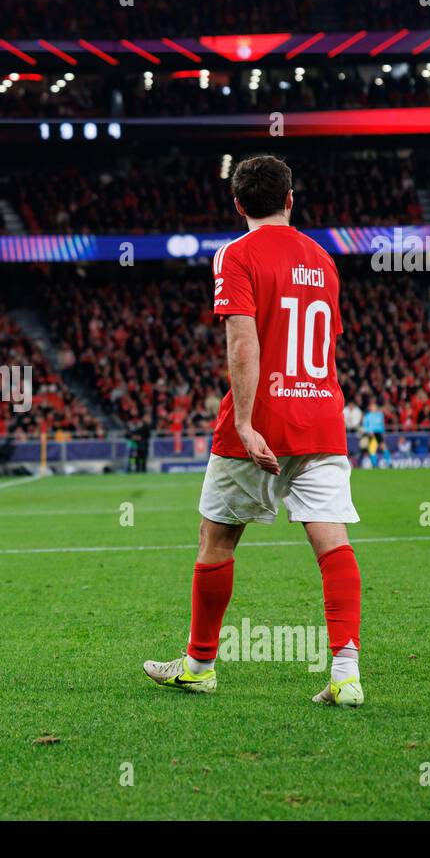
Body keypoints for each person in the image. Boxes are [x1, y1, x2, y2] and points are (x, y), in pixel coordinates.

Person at [143, 154, 365, 708]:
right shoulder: (324, 260)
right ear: (291, 198)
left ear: (238, 204)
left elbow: (243, 339)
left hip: (262, 420)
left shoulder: (235, 254)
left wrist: (244, 421)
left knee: (215, 538)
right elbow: (325, 345)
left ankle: (199, 665)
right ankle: (346, 673)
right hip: (320, 415)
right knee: (331, 542)